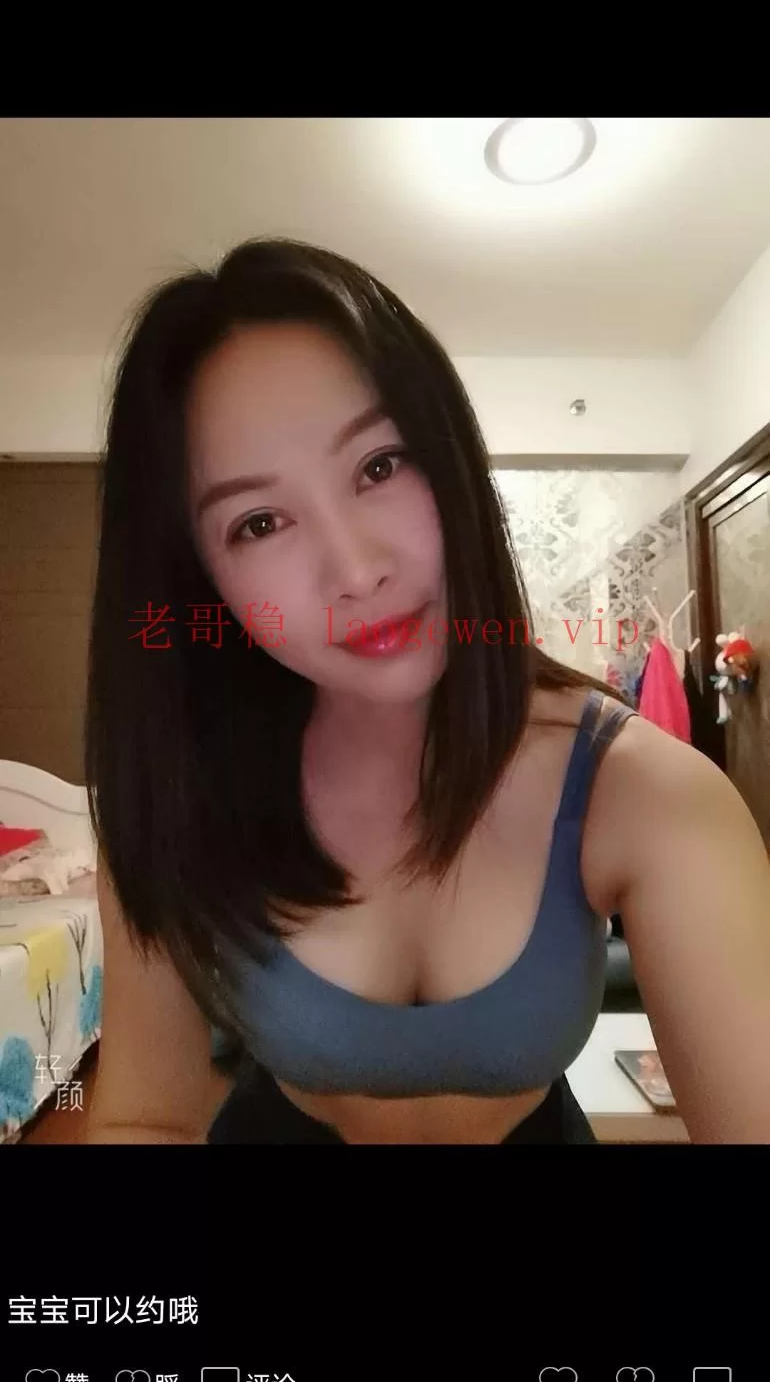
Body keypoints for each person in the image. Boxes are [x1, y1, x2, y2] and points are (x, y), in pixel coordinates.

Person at [84, 238, 770, 1146]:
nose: (356, 570)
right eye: (260, 522)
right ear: (200, 579)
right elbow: (144, 1115)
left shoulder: (647, 791)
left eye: (379, 465)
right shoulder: (177, 787)